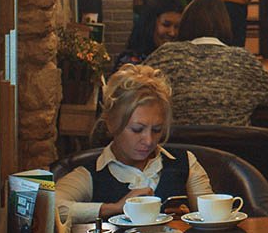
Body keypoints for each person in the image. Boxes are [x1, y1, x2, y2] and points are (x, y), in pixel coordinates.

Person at [54, 64, 214, 224]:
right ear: (111, 123)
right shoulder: (90, 174)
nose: (149, 140)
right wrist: (113, 208)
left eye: (157, 130)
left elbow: (213, 215)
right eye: (137, 130)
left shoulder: (185, 163)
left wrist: (188, 220)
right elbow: (52, 206)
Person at [144, 0, 268, 126]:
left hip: (178, 143)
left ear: (185, 24)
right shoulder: (245, 60)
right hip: (234, 143)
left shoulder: (165, 55)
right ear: (226, 24)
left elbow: (134, 88)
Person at [112, 0, 182, 73]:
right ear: (150, 25)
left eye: (177, 27)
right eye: (166, 25)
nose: (172, 33)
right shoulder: (130, 63)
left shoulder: (182, 59)